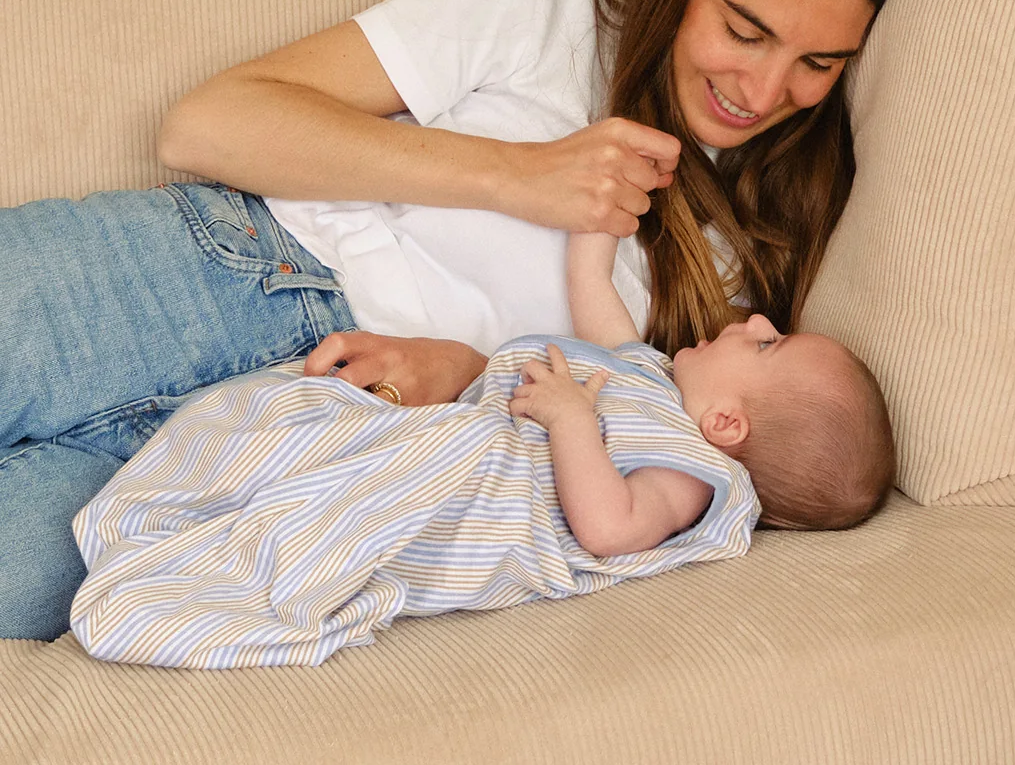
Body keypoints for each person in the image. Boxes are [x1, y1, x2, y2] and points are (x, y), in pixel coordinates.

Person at [0, 0, 929, 641]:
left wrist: (466, 369)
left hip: (293, 459)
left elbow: (615, 421)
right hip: (221, 267)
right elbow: (206, 125)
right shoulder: (550, 3)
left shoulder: (758, 252)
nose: (764, 92)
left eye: (821, 62)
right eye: (746, 28)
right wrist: (519, 177)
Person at [68, 232, 893, 669]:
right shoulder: (647, 372)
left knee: (334, 506)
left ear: (729, 428)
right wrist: (594, 235)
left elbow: (610, 527)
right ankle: (184, 498)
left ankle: (219, 559)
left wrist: (571, 421)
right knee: (277, 425)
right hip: (441, 430)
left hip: (476, 499)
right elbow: (598, 309)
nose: (751, 320)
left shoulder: (695, 475)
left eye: (768, 345)